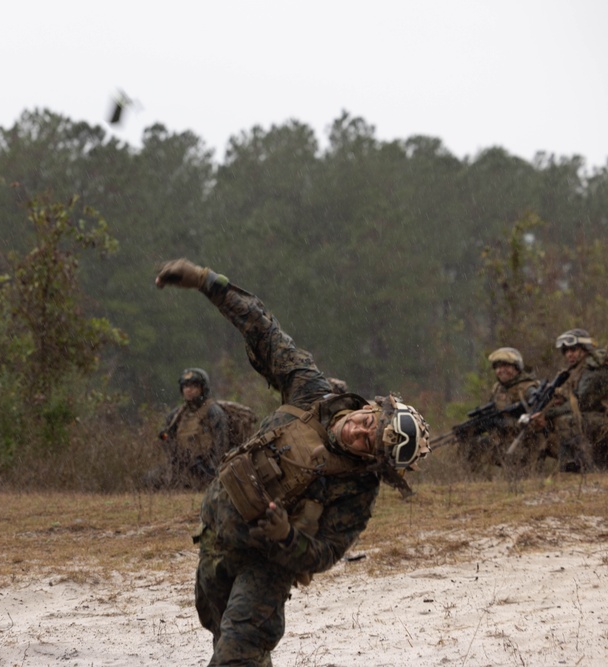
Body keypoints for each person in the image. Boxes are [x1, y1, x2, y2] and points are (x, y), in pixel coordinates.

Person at [154, 258, 430, 667]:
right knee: (222, 637)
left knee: (236, 655)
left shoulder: (357, 489)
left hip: (267, 566)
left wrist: (285, 537)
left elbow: (324, 555)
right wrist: (205, 281)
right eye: (368, 422)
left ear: (375, 460)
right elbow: (262, 327)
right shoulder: (309, 392)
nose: (358, 431)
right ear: (372, 406)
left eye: (369, 443)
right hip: (216, 539)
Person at [460, 347, 545, 472]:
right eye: (498, 367)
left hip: (525, 443)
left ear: (516, 368)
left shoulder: (527, 388)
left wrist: (505, 423)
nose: (501, 371)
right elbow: (492, 413)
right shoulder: (497, 388)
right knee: (473, 444)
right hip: (502, 440)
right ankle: (475, 481)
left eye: (507, 366)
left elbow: (536, 421)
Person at [147, 367, 231, 490]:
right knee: (151, 479)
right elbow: (166, 437)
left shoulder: (213, 412)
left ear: (203, 388)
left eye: (193, 386)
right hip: (183, 467)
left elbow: (221, 443)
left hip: (206, 466)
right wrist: (175, 458)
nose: (189, 390)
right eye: (185, 386)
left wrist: (213, 469)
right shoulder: (177, 415)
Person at [539, 329, 608, 472]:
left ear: (585, 349)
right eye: (566, 351)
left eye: (573, 350)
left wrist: (549, 413)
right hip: (593, 418)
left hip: (601, 418)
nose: (569, 354)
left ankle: (576, 467)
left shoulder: (595, 369)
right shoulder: (573, 371)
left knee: (566, 420)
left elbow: (583, 403)